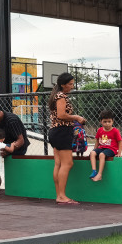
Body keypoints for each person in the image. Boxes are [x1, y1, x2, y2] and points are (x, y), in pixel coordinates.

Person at [47, 72, 84, 205]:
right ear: (63, 85)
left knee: (58, 164)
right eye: (70, 84)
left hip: (55, 131)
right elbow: (62, 115)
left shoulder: (55, 95)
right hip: (62, 131)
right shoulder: (61, 96)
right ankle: (62, 195)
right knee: (67, 163)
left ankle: (59, 195)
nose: (72, 86)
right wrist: (77, 117)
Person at [90, 111, 122, 182]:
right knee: (92, 153)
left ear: (112, 121)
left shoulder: (115, 131)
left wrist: (119, 153)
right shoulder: (100, 130)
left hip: (111, 149)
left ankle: (99, 174)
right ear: (101, 122)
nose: (107, 124)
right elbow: (97, 141)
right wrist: (95, 150)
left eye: (109, 121)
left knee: (102, 155)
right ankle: (94, 171)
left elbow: (120, 142)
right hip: (101, 148)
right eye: (105, 122)